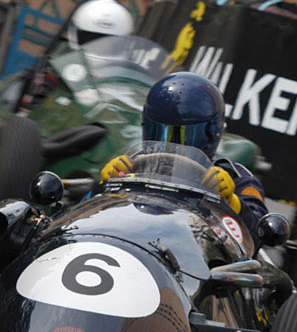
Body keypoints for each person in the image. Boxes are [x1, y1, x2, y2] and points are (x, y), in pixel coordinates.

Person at [98, 72, 268, 239]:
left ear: (211, 133)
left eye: (184, 135)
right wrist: (107, 184)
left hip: (195, 257)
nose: (171, 145)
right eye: (161, 132)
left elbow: (260, 234)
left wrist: (230, 202)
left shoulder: (236, 177)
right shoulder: (130, 168)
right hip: (132, 245)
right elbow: (85, 217)